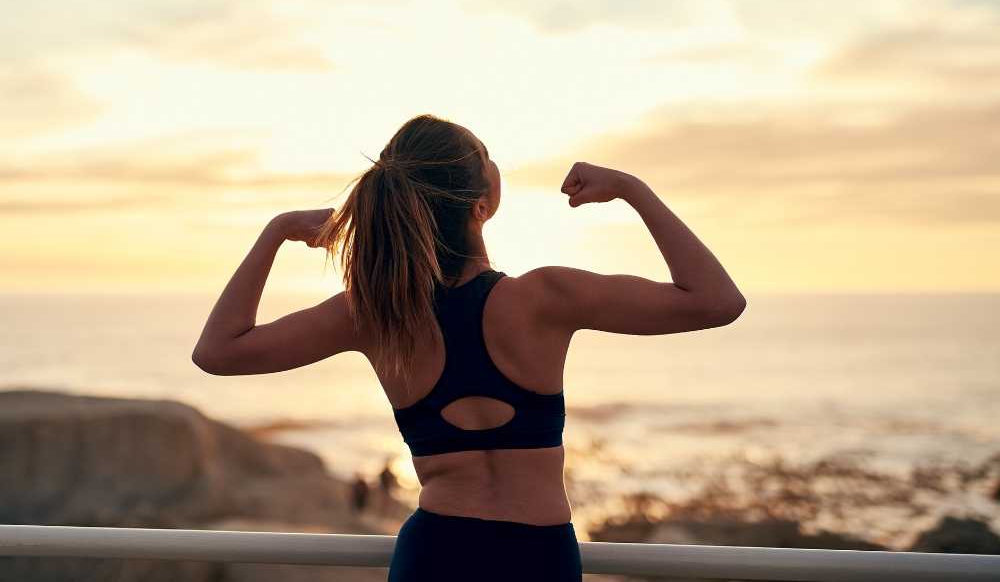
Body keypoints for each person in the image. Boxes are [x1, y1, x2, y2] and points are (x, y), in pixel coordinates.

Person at [191, 113, 746, 581]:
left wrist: (277, 231)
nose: (496, 162)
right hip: (537, 556)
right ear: (480, 204)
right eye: (487, 155)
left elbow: (219, 351)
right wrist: (631, 189)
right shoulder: (546, 297)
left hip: (434, 553)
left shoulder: (373, 315)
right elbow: (717, 301)